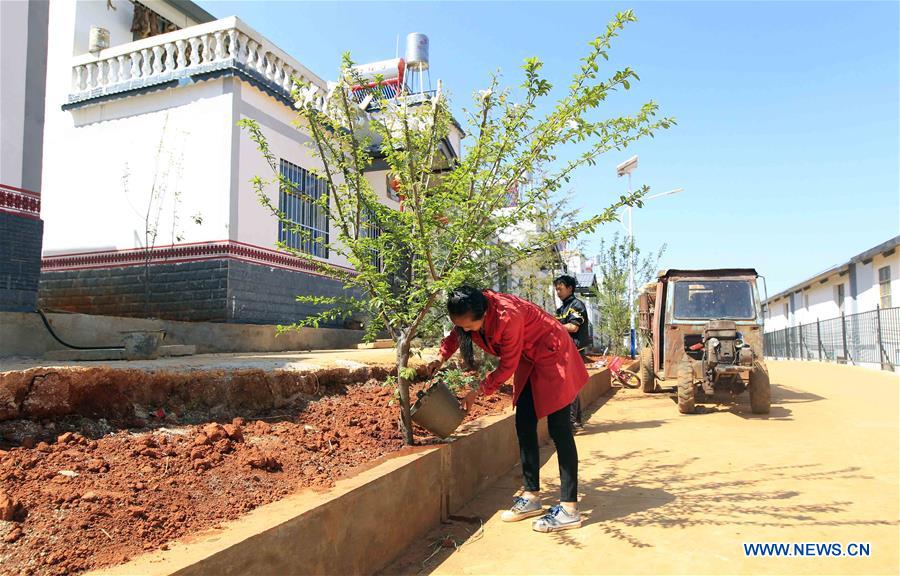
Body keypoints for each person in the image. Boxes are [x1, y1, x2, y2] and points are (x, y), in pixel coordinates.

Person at [430, 286, 588, 532]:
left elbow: (506, 366)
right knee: (524, 423)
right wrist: (440, 358)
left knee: (560, 429)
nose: (466, 331)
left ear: (482, 315)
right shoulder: (473, 310)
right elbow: (457, 333)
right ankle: (532, 496)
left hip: (554, 354)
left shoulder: (508, 316)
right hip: (530, 357)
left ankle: (569, 509)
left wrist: (477, 392)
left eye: (470, 326)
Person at [553, 275, 591, 430]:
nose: (558, 292)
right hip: (565, 351)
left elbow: (573, 327)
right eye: (556, 289)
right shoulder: (561, 309)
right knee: (568, 385)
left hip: (575, 351)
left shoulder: (577, 305)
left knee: (571, 386)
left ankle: (572, 421)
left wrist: (552, 325)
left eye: (560, 289)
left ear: (569, 288)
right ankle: (574, 421)